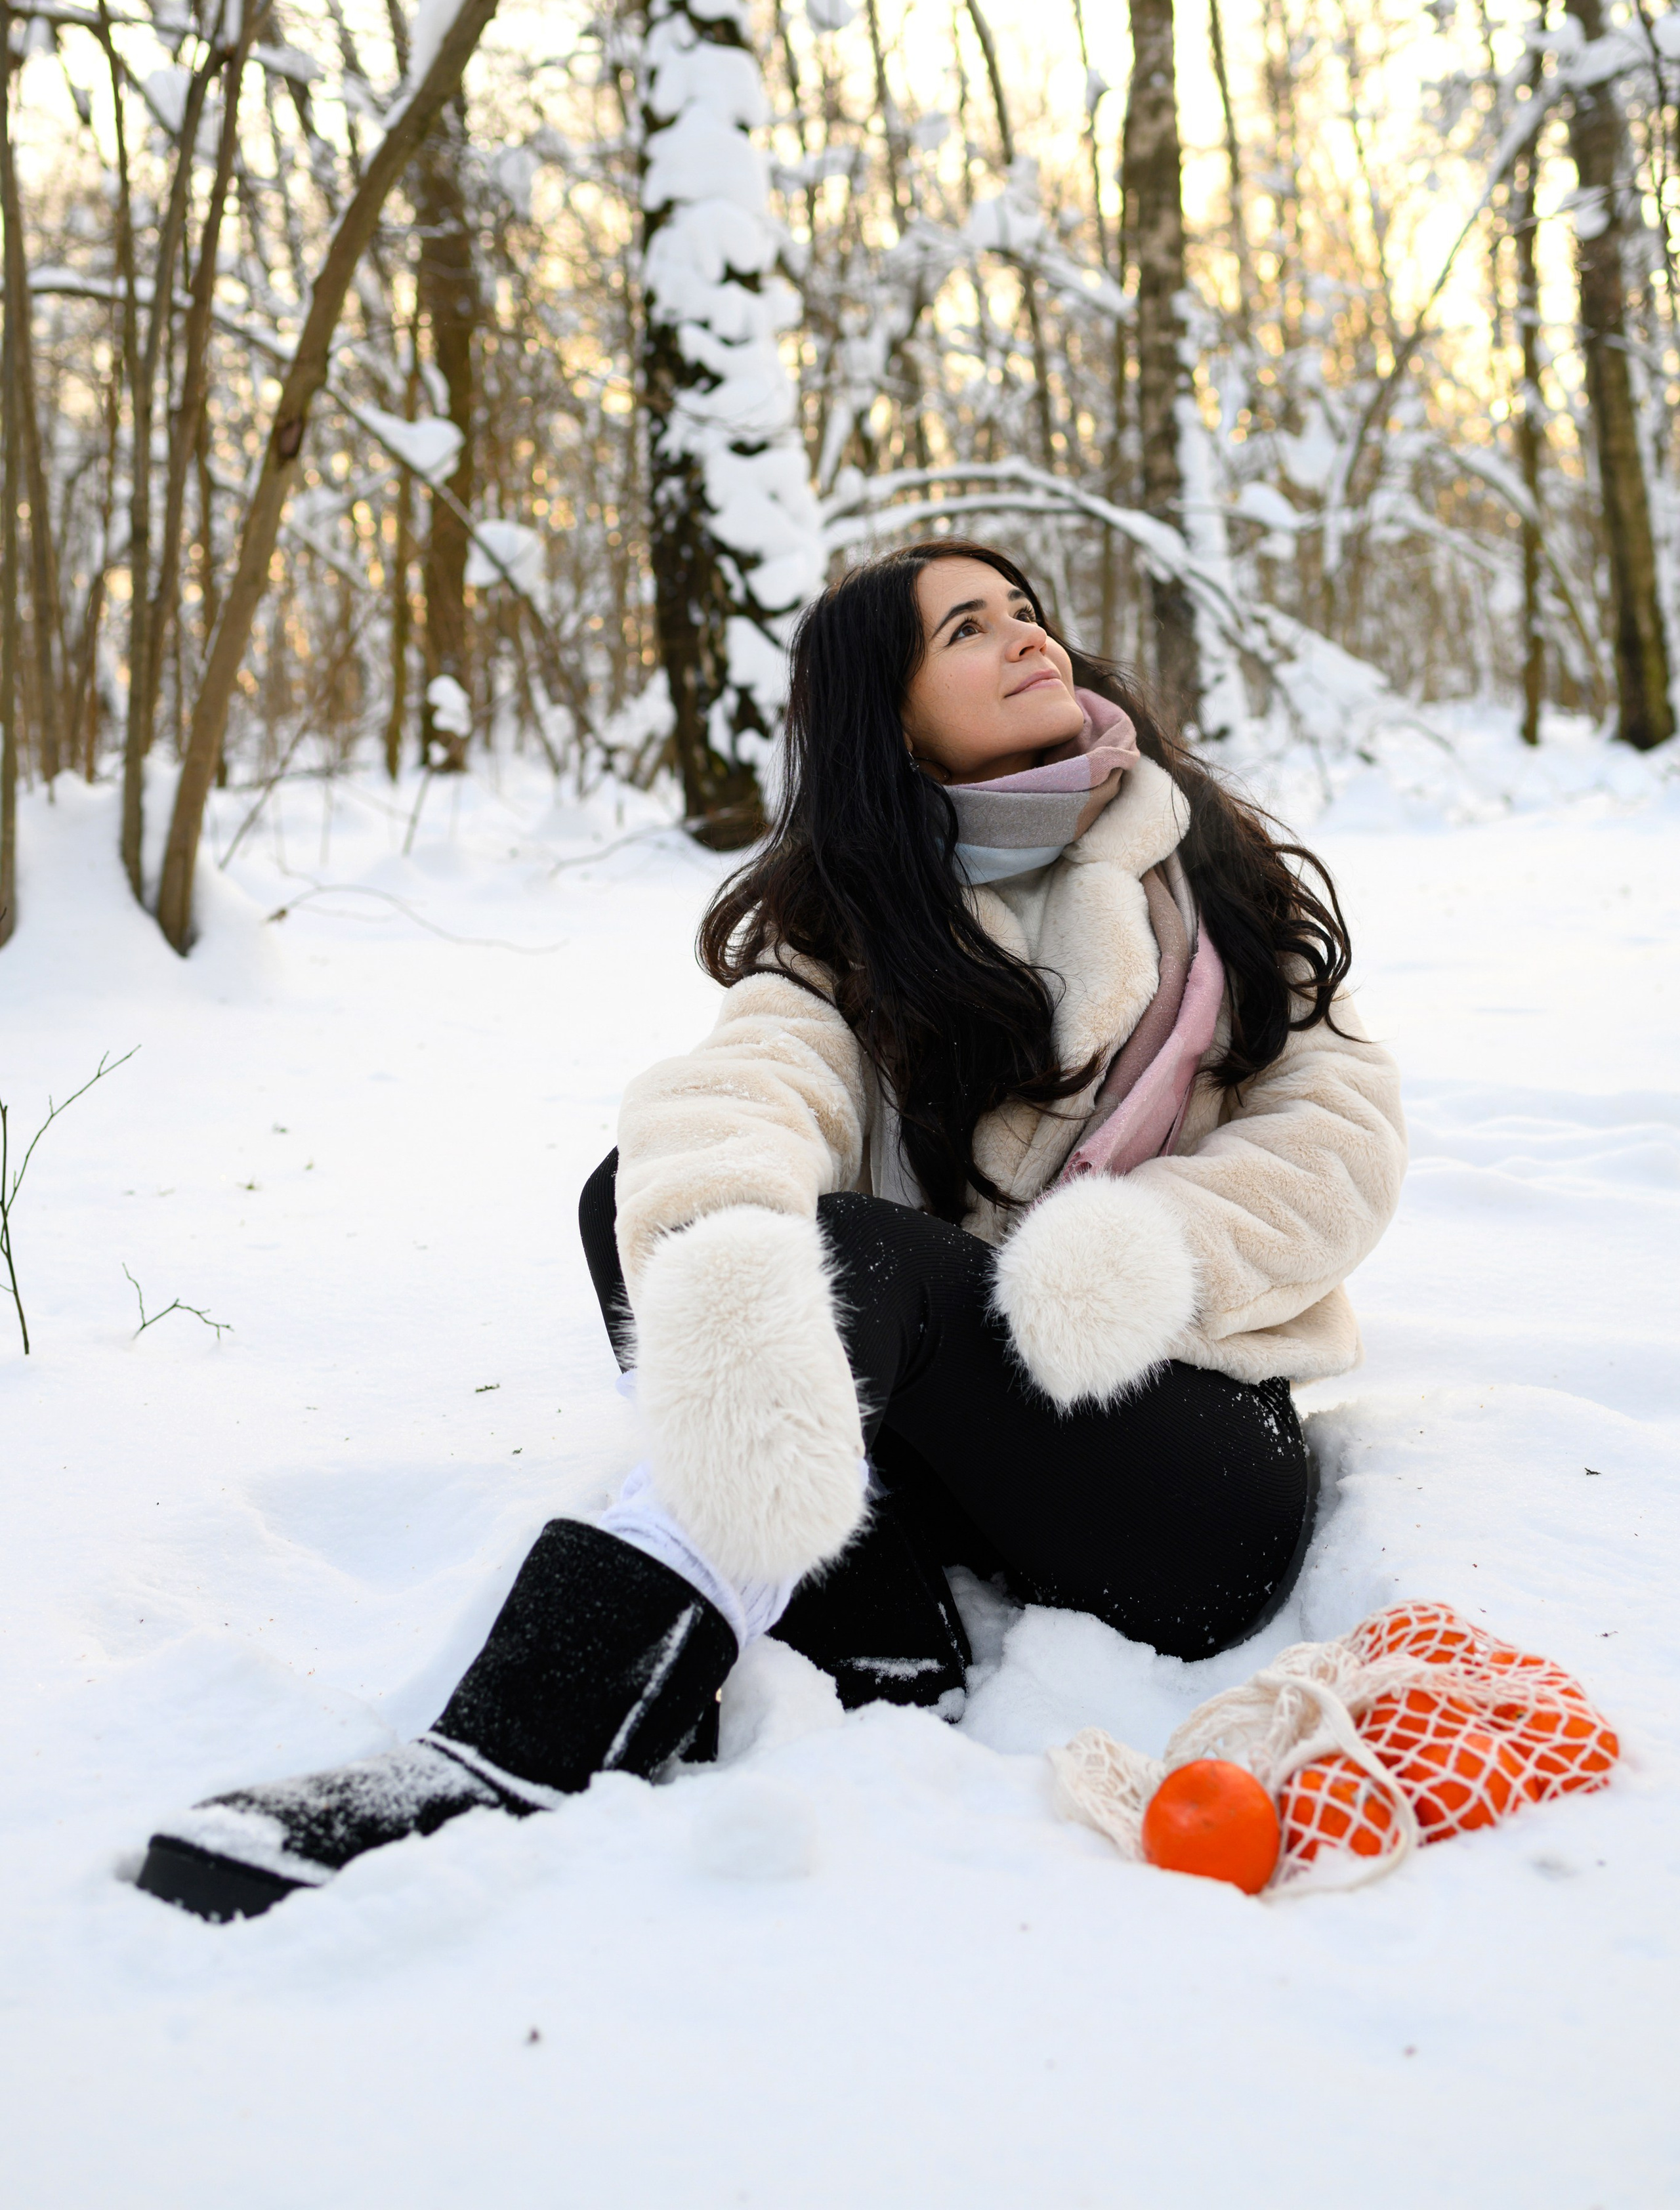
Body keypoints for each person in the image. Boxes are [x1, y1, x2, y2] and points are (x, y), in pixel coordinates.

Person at [138, 541, 1406, 1920]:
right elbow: (744, 1091)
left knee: (861, 1255)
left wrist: (1137, 1253)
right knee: (661, 1195)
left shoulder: (1205, 873)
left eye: (1023, 611)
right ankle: (875, 1636)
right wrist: (731, 1255)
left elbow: (1334, 1134)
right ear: (891, 715)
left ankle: (527, 1733)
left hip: (1180, 1466)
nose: (1025, 636)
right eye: (967, 628)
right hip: (970, 1448)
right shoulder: (862, 924)